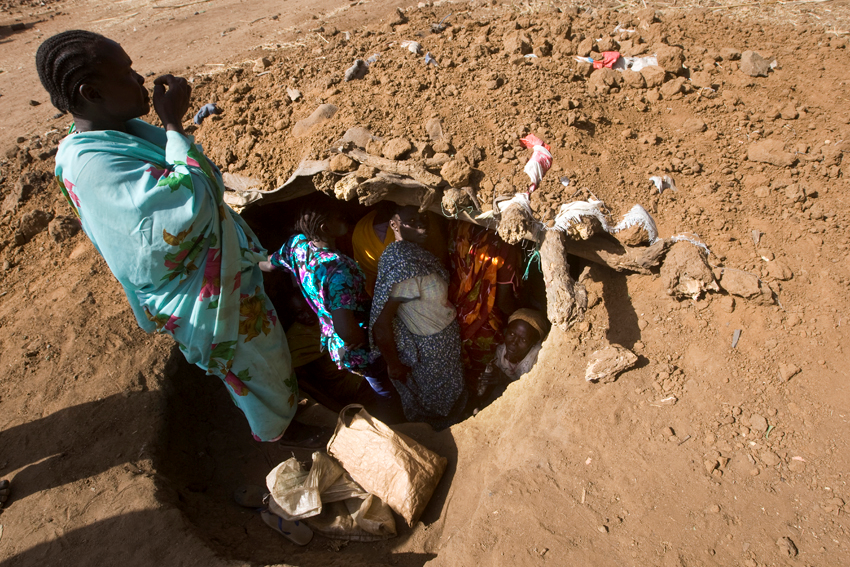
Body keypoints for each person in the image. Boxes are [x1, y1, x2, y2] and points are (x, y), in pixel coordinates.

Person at [36, 30, 297, 442]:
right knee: (261, 373)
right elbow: (190, 205)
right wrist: (174, 123)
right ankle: (280, 433)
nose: (140, 78)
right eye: (125, 73)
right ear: (91, 91)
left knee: (261, 362)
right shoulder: (94, 168)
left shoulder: (116, 135)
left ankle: (280, 415)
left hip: (217, 280)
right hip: (202, 298)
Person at [261, 204, 397, 408]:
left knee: (377, 384)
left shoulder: (296, 247)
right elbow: (345, 328)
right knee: (386, 388)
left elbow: (268, 263)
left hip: (335, 342)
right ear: (325, 228)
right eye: (339, 218)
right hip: (357, 344)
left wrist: (248, 261)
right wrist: (367, 338)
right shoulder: (338, 269)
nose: (345, 219)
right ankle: (397, 421)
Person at [370, 205, 467, 429]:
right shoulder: (404, 268)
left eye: (424, 217)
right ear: (394, 224)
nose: (422, 224)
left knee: (448, 394)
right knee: (438, 401)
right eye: (412, 220)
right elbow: (382, 325)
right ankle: (440, 435)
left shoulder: (409, 252)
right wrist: (394, 365)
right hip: (431, 350)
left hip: (442, 344)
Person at [448, 221, 520, 385]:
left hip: (456, 311)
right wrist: (520, 315)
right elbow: (503, 301)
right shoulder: (503, 242)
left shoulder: (459, 227)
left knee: (465, 370)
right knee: (485, 374)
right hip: (485, 324)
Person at [474, 308, 549, 410]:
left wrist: (504, 380)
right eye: (512, 334)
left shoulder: (537, 359)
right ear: (506, 331)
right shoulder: (501, 349)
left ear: (533, 343)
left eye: (523, 340)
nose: (514, 342)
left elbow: (531, 395)